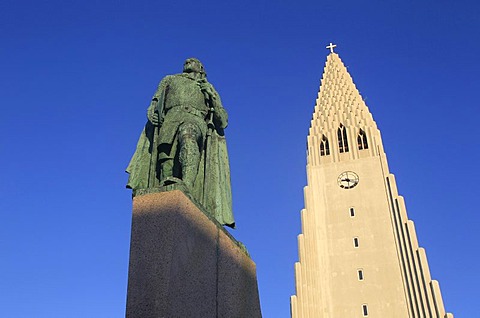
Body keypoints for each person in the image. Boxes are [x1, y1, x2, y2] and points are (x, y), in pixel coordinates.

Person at [126, 58, 234, 228]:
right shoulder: (169, 79)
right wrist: (152, 111)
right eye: (187, 60)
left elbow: (223, 120)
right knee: (165, 156)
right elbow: (155, 102)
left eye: (194, 61)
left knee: (188, 135)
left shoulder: (207, 88)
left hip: (194, 118)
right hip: (170, 119)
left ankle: (187, 186)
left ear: (201, 69)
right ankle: (165, 191)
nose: (189, 60)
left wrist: (212, 96)